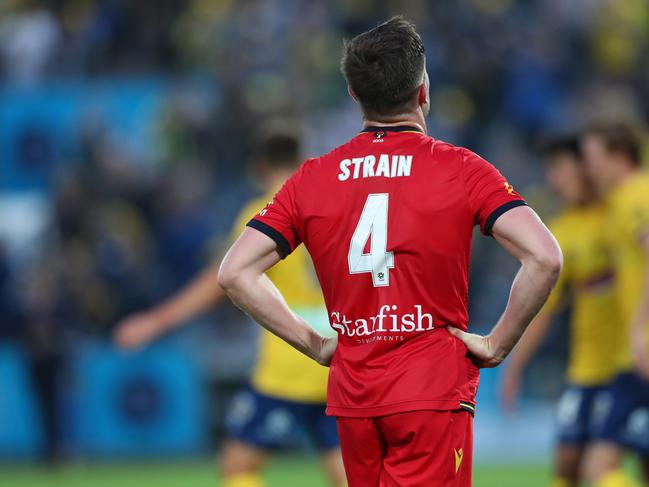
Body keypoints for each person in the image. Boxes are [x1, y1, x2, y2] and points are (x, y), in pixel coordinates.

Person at [217, 17, 562, 487]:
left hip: (355, 394)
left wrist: (315, 345)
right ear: (423, 91)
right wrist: (497, 343)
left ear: (355, 96)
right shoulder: (461, 168)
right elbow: (544, 256)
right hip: (431, 391)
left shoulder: (312, 178)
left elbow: (235, 272)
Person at [114, 130, 346, 487]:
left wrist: (154, 322)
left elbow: (220, 280)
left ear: (259, 167)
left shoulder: (266, 210)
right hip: (342, 358)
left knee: (237, 466)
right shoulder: (338, 205)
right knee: (346, 475)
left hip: (293, 359)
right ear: (306, 161)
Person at [500, 136, 620, 487]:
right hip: (587, 367)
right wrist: (514, 367)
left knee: (604, 467)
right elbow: (543, 309)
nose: (555, 180)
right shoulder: (562, 233)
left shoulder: (618, 212)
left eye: (562, 169)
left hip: (628, 363)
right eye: (552, 171)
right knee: (567, 465)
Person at [580, 123, 649, 487]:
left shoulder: (635, 196)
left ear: (619, 157)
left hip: (640, 351)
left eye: (592, 158)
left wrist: (638, 328)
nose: (587, 168)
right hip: (628, 354)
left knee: (599, 467)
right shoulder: (620, 203)